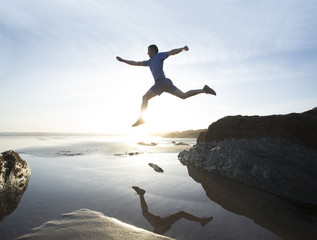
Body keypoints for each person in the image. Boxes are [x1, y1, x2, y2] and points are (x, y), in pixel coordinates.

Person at [116, 45, 216, 127]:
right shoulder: (149, 62)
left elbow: (171, 52)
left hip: (160, 83)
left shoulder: (159, 56)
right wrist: (123, 60)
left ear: (153, 50)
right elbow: (135, 63)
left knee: (145, 97)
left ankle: (141, 119)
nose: (147, 53)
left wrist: (181, 49)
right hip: (166, 83)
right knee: (183, 96)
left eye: (149, 50)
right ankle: (204, 90)